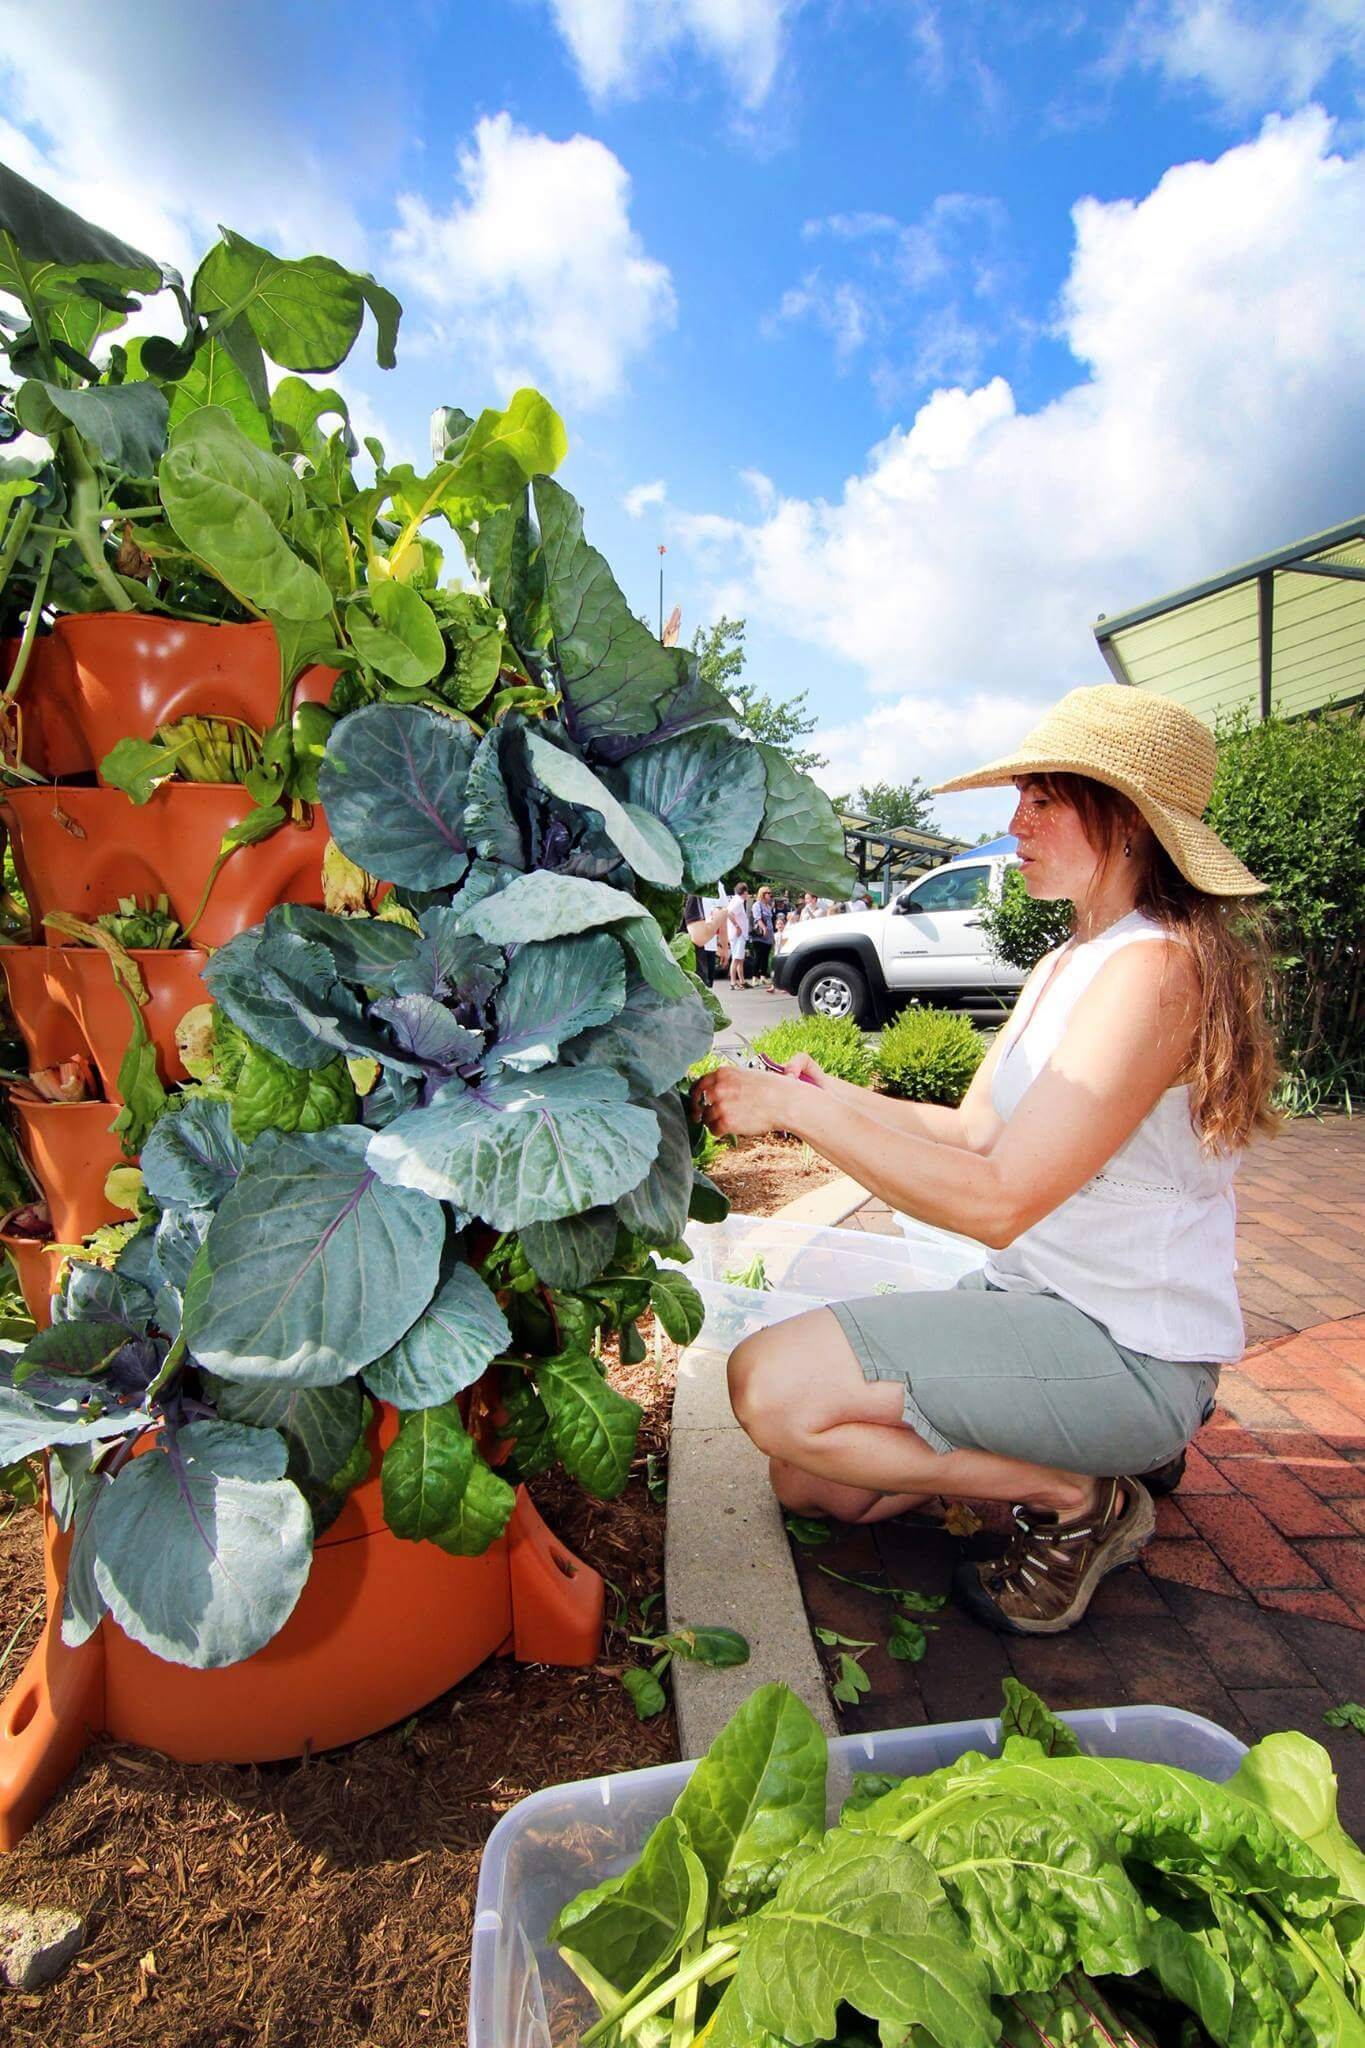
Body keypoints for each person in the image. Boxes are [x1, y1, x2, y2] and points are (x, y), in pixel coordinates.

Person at [690, 685, 1276, 1637]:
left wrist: (794, 1111)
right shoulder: (1066, 964)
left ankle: (1077, 1497)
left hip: (1125, 1348)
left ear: (1125, 820)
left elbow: (997, 1200)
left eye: (1042, 798)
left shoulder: (1157, 969)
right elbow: (971, 1135)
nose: (1014, 822)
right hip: (1033, 1309)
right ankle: (1043, 1462)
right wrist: (822, 1093)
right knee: (808, 1477)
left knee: (768, 1386)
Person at [682, 887, 731, 986]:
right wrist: (725, 948)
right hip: (696, 947)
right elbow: (722, 919)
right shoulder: (697, 886)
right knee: (701, 989)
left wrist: (724, 947)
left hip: (692, 946)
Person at [750, 886, 776, 988]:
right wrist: (764, 928)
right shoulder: (757, 905)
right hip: (759, 935)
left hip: (768, 936)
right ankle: (754, 977)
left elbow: (770, 921)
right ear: (763, 894)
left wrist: (772, 935)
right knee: (758, 956)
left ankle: (763, 977)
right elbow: (758, 918)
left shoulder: (768, 906)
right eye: (768, 893)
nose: (770, 895)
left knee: (765, 956)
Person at [726, 883, 751, 989]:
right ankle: (733, 982)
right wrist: (737, 926)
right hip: (738, 934)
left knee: (740, 958)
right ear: (744, 892)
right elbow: (729, 913)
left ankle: (741, 980)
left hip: (739, 934)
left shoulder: (737, 901)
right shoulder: (738, 901)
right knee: (736, 958)